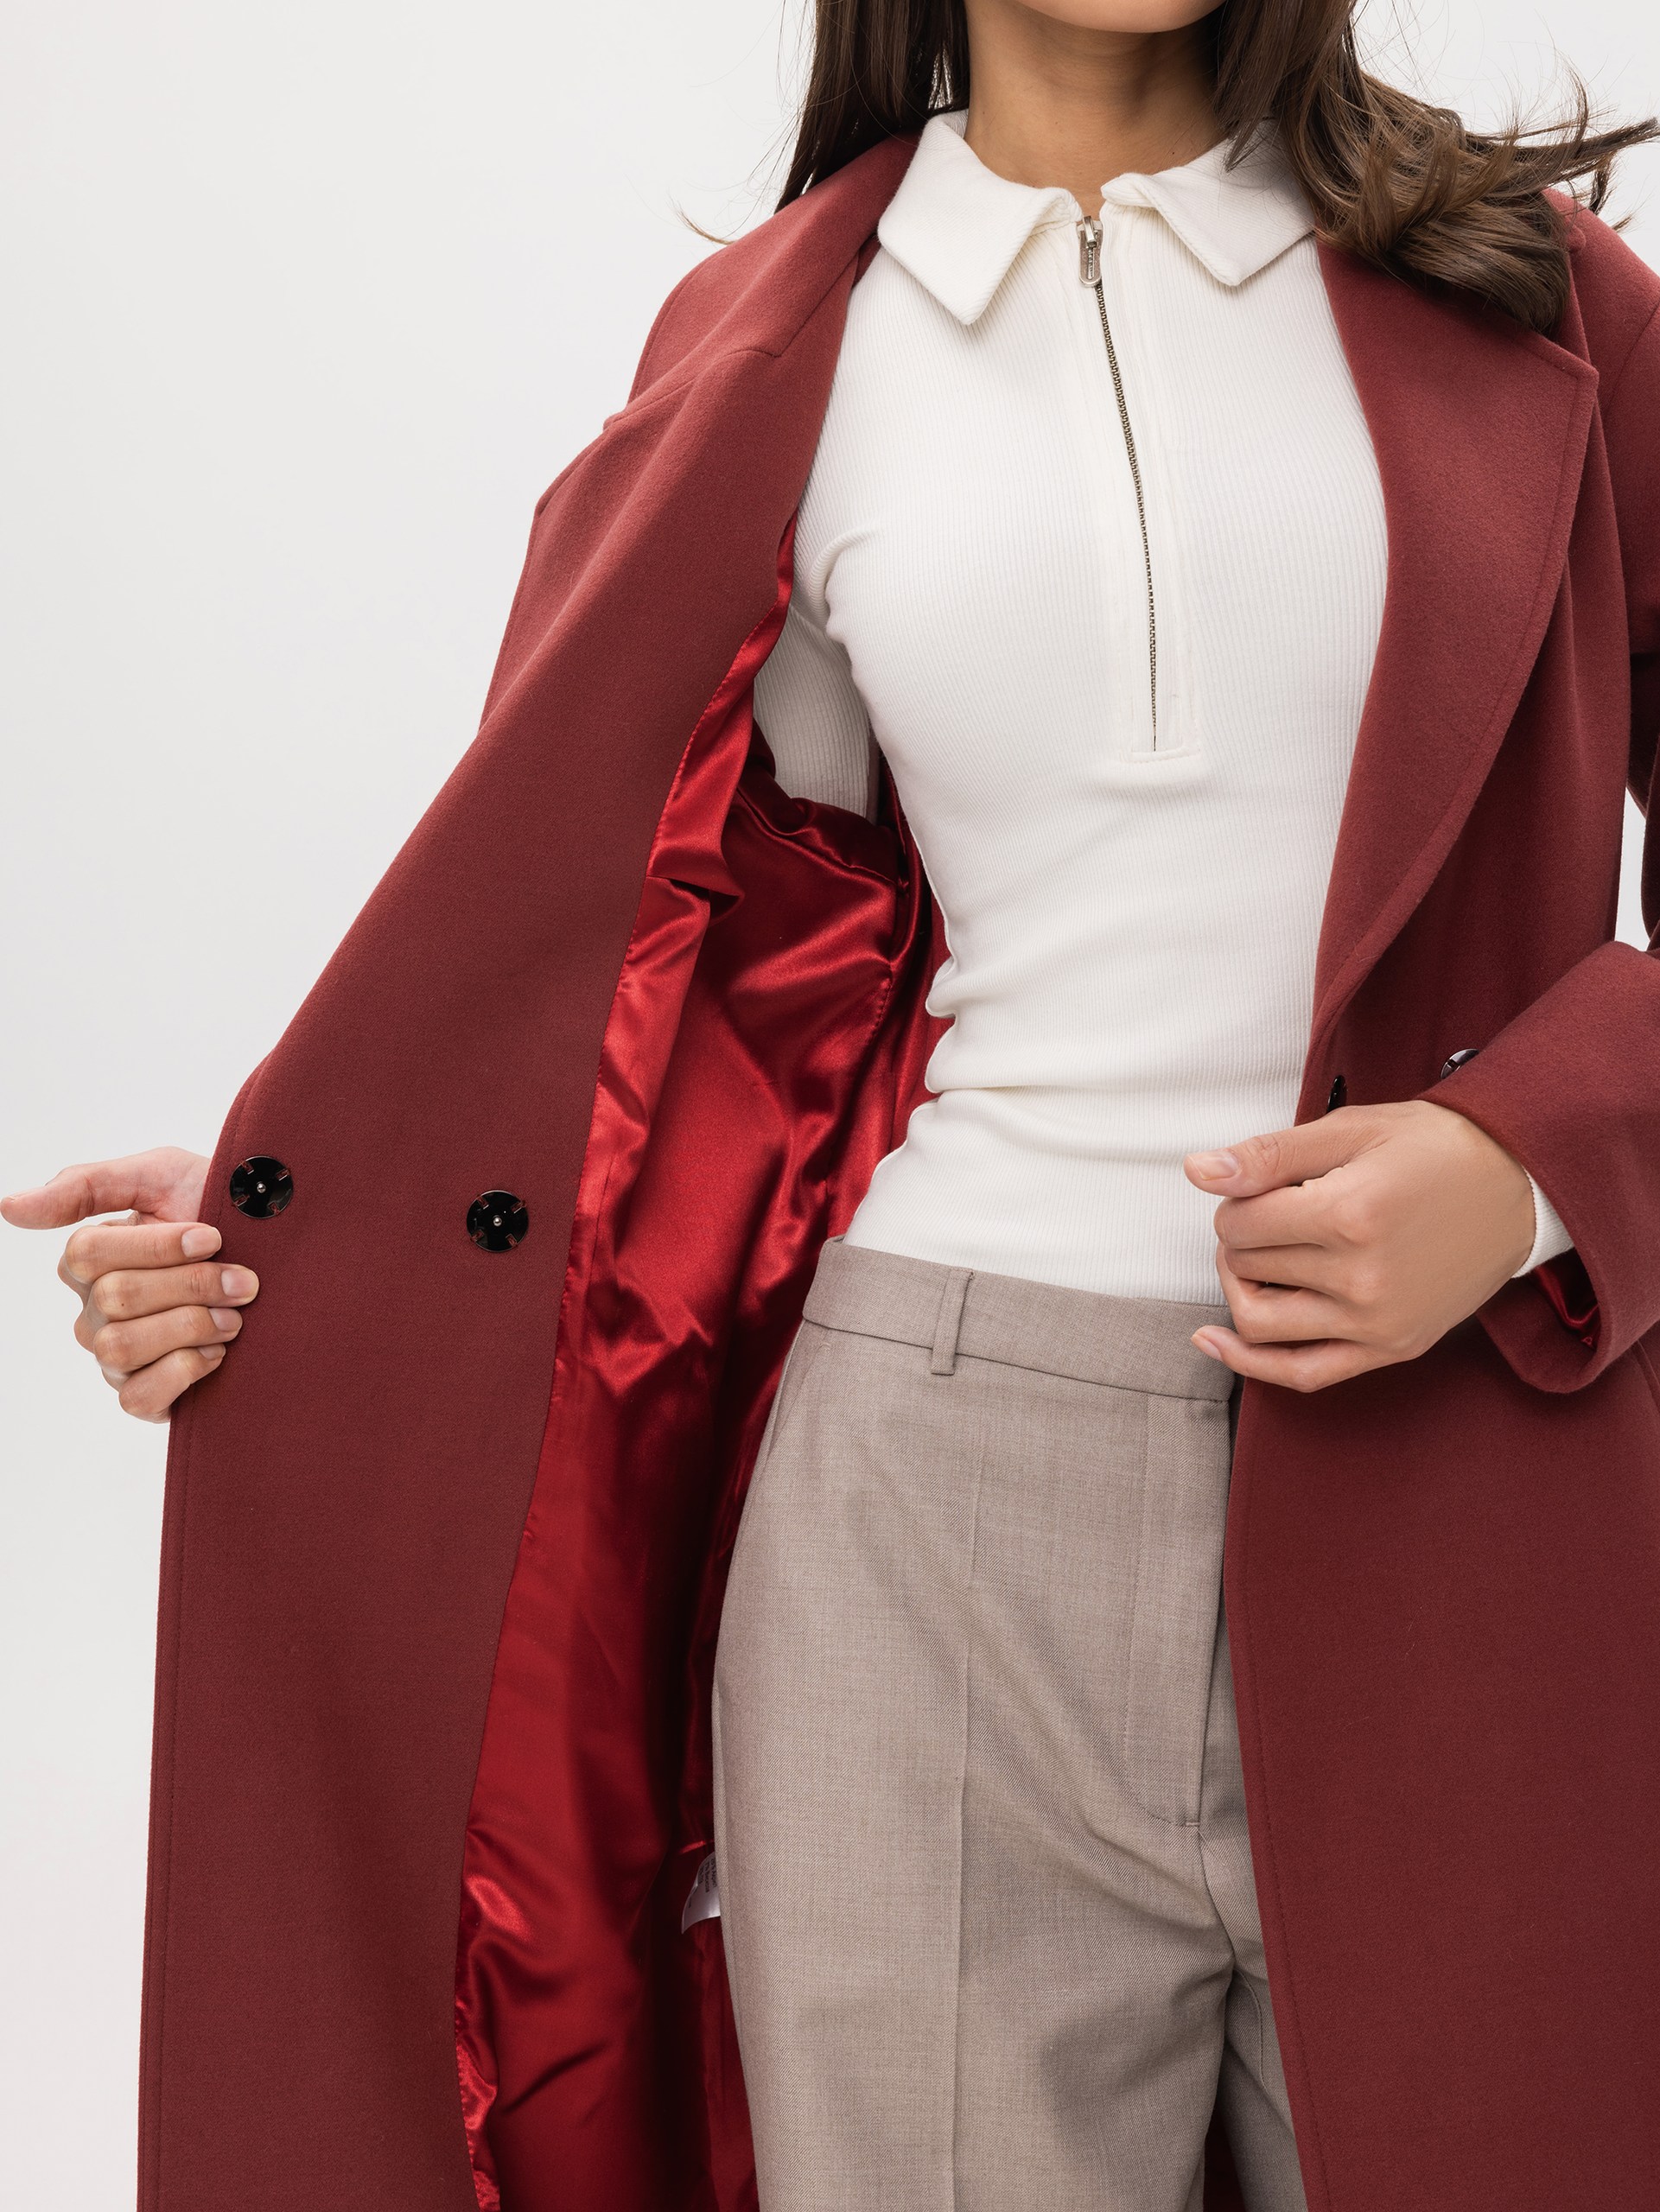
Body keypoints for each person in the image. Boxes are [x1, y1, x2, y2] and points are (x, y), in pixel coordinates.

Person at [6, 1, 1660, 2207]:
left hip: (1472, 1480)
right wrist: (323, 1243)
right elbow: (674, 982)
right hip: (926, 1521)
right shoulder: (773, 342)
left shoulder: (1533, 291)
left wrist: (1538, 1155)